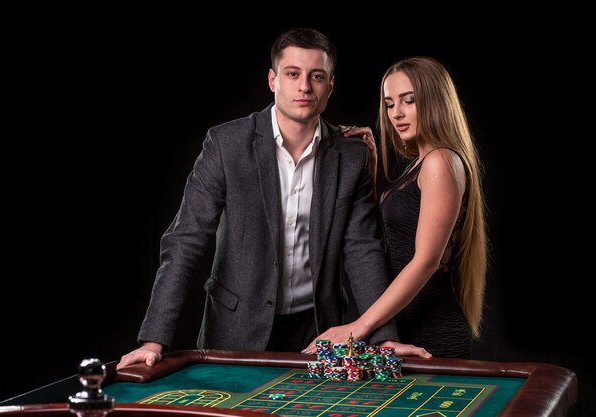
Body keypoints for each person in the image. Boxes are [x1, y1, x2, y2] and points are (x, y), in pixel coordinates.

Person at [117, 28, 430, 369]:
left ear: (330, 87)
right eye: (293, 74)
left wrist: (386, 338)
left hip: (316, 331)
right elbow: (186, 239)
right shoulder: (226, 144)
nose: (304, 87)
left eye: (317, 76)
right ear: (273, 79)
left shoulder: (351, 156)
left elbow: (362, 249)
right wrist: (154, 340)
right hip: (234, 331)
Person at [303, 57, 487, 358]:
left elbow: (426, 260)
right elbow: (390, 239)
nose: (396, 114)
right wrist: (371, 166)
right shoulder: (420, 164)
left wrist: (358, 327)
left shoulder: (441, 161)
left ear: (436, 102)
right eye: (389, 104)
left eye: (408, 101)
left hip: (431, 333)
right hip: (401, 328)